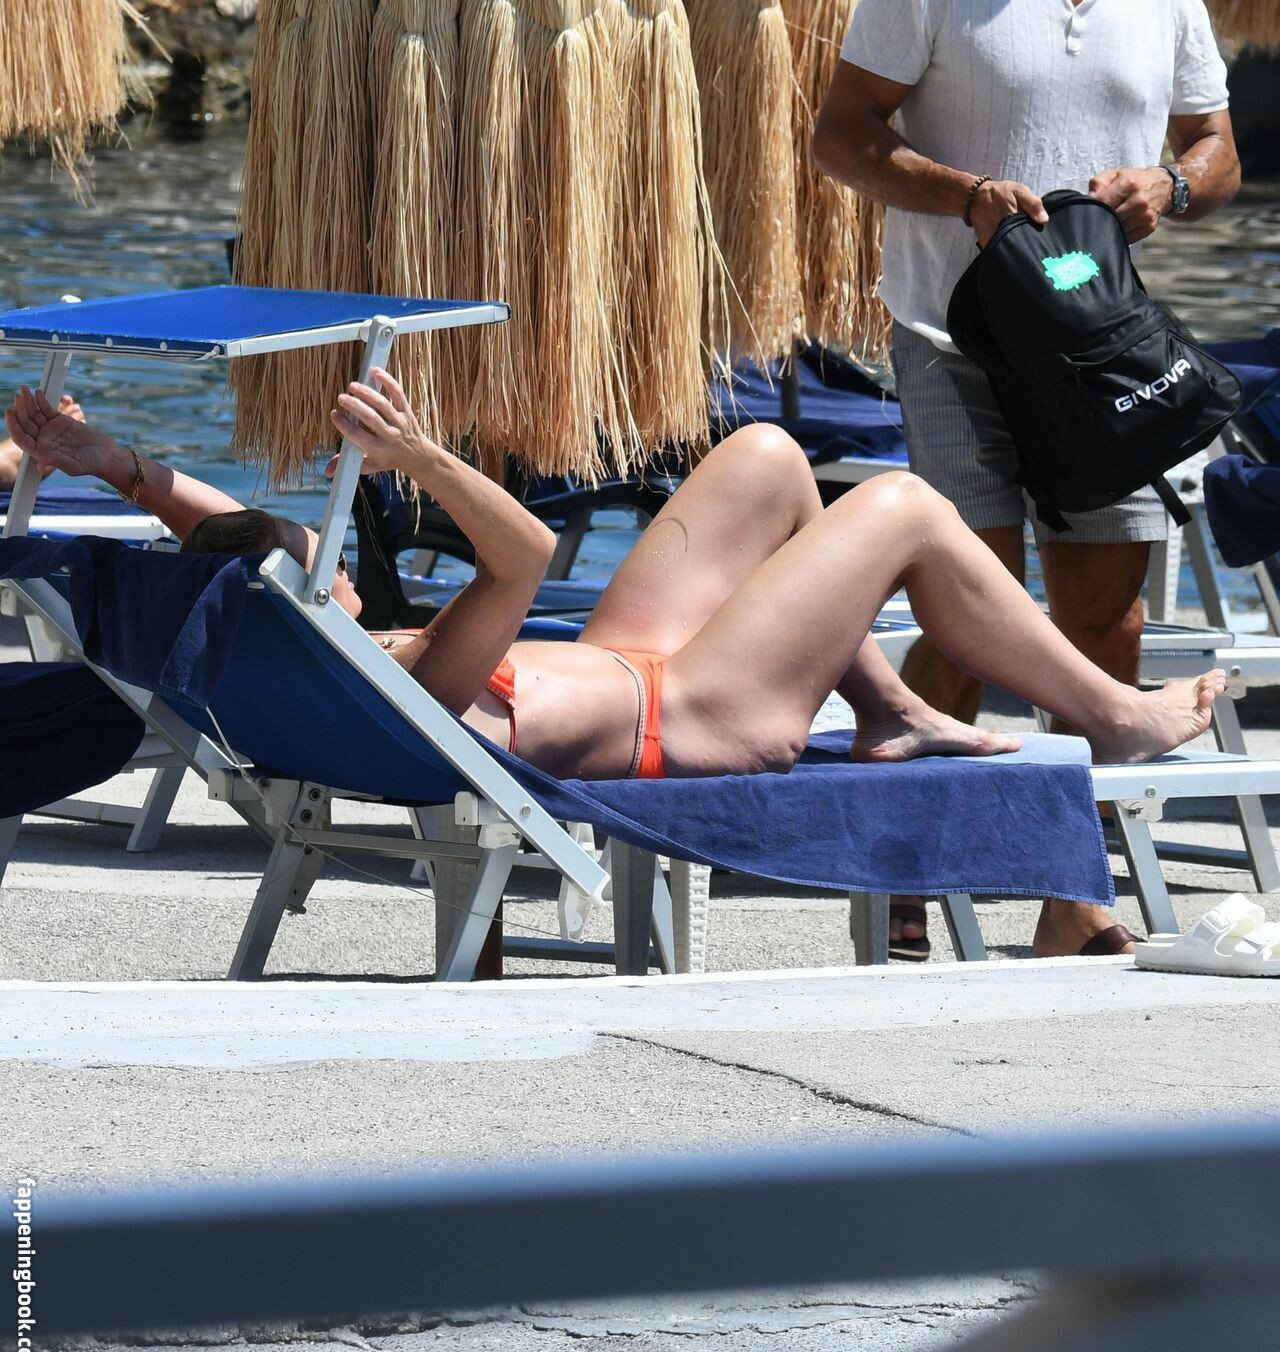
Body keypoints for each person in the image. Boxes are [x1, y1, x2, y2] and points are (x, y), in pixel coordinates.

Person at [7, 374, 1223, 955]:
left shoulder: (306, 658)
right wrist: (421, 458)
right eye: (312, 552)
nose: (327, 548)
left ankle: (890, 707)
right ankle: (1110, 715)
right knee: (900, 506)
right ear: (309, 597)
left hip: (622, 665)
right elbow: (523, 552)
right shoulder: (411, 677)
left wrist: (118, 466)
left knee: (764, 457)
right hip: (696, 710)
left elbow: (232, 554)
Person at [812, 0, 1241, 959]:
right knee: (970, 605)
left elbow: (1213, 145)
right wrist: (960, 194)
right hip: (952, 336)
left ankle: (1071, 899)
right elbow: (839, 137)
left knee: (1104, 622)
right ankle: (905, 869)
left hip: (1101, 350)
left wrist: (1170, 187)